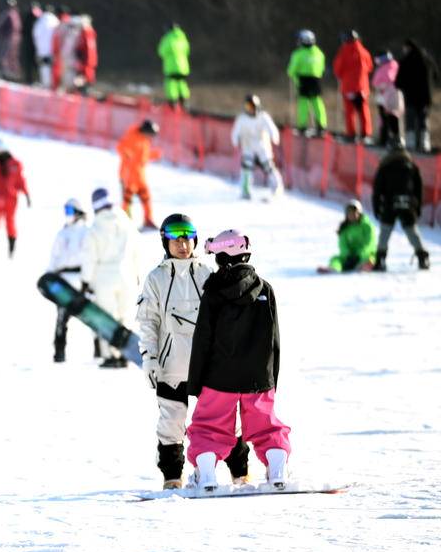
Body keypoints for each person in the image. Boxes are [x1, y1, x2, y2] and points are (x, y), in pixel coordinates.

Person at [135, 215, 251, 487]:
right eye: (176, 239)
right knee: (171, 423)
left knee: (225, 420)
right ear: (165, 242)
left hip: (208, 366)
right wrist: (150, 358)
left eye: (187, 238)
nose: (183, 244)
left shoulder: (206, 273)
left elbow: (226, 317)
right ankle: (172, 477)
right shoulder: (156, 278)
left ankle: (240, 472)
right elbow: (148, 321)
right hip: (172, 366)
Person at [186, 229, 292, 490]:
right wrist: (270, 379)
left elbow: (202, 339)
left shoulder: (213, 291)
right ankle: (277, 469)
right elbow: (274, 339)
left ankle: (206, 475)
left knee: (209, 426)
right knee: (265, 425)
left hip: (219, 377)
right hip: (258, 377)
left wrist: (196, 381)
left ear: (222, 257)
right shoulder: (265, 289)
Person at [79, 187, 142, 368]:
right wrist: (137, 274)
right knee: (125, 316)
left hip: (104, 278)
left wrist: (85, 281)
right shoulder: (126, 223)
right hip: (127, 275)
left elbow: (89, 257)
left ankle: (110, 355)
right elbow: (137, 251)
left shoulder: (95, 228)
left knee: (107, 318)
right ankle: (125, 354)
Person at [372, 145, 430, 271]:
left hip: (389, 204)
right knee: (412, 231)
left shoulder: (385, 166)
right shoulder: (411, 166)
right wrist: (417, 207)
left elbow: (377, 189)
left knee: (385, 233)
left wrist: (376, 207)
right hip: (407, 204)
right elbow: (418, 189)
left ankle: (380, 259)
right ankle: (422, 256)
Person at [47, 198, 91, 363]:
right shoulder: (62, 234)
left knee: (92, 317)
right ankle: (59, 352)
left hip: (82, 280)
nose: (67, 215)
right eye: (66, 211)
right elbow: (54, 257)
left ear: (79, 212)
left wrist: (90, 280)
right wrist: (49, 276)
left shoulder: (87, 232)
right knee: (61, 318)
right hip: (64, 280)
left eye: (70, 211)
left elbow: (91, 258)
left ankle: (99, 350)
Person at [231, 95, 284, 200]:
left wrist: (274, 137)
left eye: (251, 106)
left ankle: (277, 188)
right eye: (247, 106)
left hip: (262, 147)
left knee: (269, 167)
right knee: (246, 168)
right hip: (248, 148)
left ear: (256, 106)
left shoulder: (263, 117)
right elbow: (235, 131)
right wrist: (235, 141)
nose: (249, 109)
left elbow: (272, 128)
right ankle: (245, 191)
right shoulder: (242, 119)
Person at [395, 39, 439, 153]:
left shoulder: (405, 61)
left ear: (408, 48)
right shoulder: (427, 60)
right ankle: (425, 143)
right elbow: (436, 75)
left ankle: (411, 143)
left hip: (410, 97)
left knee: (410, 120)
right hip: (425, 97)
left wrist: (402, 87)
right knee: (423, 120)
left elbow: (398, 82)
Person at [117, 119, 162, 228]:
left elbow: (142, 157)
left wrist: (154, 155)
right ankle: (124, 222)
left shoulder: (144, 140)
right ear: (146, 130)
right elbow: (121, 147)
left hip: (140, 175)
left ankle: (148, 219)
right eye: (151, 134)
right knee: (127, 200)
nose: (151, 137)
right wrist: (126, 155)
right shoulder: (132, 136)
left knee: (146, 197)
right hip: (129, 175)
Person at [332, 30, 374, 141]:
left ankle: (351, 134)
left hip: (348, 87)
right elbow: (370, 67)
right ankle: (366, 134)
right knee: (363, 111)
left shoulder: (343, 52)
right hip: (362, 87)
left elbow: (338, 69)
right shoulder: (364, 51)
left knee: (350, 111)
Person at [318, 199, 376, 273]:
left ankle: (364, 267)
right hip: (350, 256)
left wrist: (359, 255)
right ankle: (333, 268)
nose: (352, 215)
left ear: (359, 213)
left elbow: (369, 244)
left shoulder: (367, 226)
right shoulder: (345, 228)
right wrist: (347, 255)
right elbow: (342, 244)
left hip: (364, 254)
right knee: (335, 259)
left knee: (371, 258)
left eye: (354, 212)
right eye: (349, 212)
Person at [287, 29, 327, 135]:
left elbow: (291, 70)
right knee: (317, 102)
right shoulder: (319, 53)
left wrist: (293, 75)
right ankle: (322, 125)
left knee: (303, 103)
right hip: (316, 80)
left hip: (303, 81)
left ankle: (302, 126)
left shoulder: (298, 54)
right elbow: (322, 68)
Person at [372, 51, 404, 148]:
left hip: (390, 96)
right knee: (384, 119)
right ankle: (384, 139)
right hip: (383, 97)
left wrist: (382, 86)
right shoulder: (384, 67)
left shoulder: (392, 66)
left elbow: (389, 79)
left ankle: (393, 138)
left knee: (391, 117)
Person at [157, 23, 190, 109]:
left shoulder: (168, 38)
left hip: (171, 66)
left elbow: (161, 51)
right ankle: (184, 101)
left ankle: (173, 103)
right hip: (183, 67)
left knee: (171, 83)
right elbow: (187, 51)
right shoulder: (183, 38)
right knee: (181, 82)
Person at [0, 0, 21, 80]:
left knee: (4, 55)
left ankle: (7, 72)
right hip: (15, 38)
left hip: (7, 38)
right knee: (12, 55)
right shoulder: (16, 14)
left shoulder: (7, 14)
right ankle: (13, 72)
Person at [32, 4, 59, 87]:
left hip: (42, 49)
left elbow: (35, 34)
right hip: (53, 49)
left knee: (44, 67)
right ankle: (52, 84)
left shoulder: (40, 20)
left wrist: (37, 46)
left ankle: (46, 84)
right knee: (53, 67)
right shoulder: (56, 20)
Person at [20, 1, 41, 85]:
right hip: (31, 43)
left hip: (36, 44)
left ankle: (35, 79)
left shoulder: (39, 18)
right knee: (30, 62)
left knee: (35, 62)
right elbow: (24, 30)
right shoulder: (29, 17)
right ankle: (30, 79)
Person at [76, 14, 98, 90]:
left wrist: (88, 61)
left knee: (87, 76)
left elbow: (90, 49)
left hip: (87, 60)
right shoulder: (83, 33)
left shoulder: (88, 33)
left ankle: (86, 90)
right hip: (84, 59)